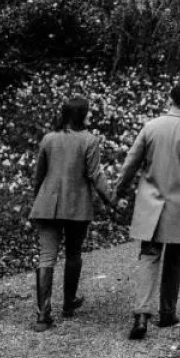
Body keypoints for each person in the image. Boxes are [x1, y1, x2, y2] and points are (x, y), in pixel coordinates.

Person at [115, 81, 180, 340]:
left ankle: (141, 315)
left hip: (151, 202)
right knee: (174, 258)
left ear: (169, 98)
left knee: (149, 256)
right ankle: (167, 313)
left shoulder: (152, 127)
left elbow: (131, 162)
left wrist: (119, 189)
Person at [28, 95, 121, 332]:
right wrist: (111, 200)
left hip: (46, 205)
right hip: (77, 207)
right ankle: (68, 303)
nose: (90, 116)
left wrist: (36, 201)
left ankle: (43, 316)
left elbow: (39, 175)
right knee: (73, 253)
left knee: (46, 256)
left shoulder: (48, 139)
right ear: (81, 115)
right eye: (88, 113)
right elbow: (95, 175)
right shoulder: (90, 140)